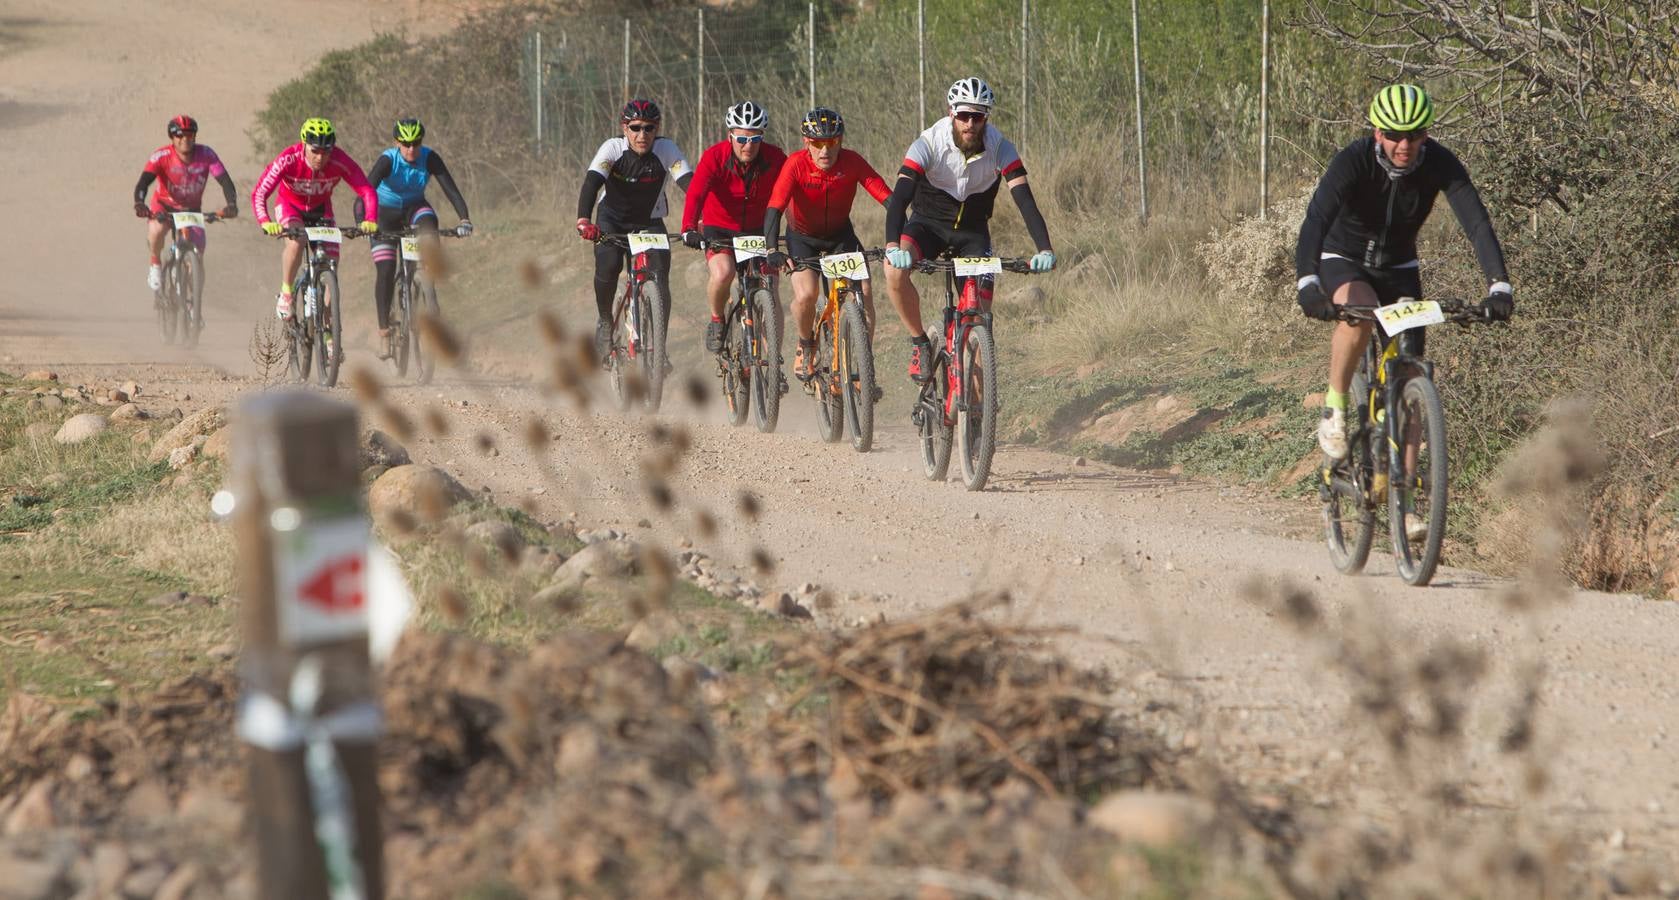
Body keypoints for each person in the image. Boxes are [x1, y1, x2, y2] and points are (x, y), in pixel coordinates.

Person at [1295, 84, 1513, 462]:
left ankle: (1409, 503)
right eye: (1394, 135)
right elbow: (1316, 220)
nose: (1404, 145)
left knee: (1412, 374)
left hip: (1398, 267)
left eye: (1414, 135)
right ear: (1378, 133)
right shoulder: (1353, 161)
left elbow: (1477, 223)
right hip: (1343, 257)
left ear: (1426, 133)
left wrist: (1499, 286)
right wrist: (1308, 283)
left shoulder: (1440, 163)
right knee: (1358, 312)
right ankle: (1335, 408)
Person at [883, 77, 1056, 383]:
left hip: (973, 234)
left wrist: (1044, 248)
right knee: (893, 272)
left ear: (986, 118)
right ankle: (920, 343)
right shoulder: (928, 142)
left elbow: (1025, 202)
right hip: (927, 225)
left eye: (977, 117)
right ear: (952, 113)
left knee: (979, 316)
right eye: (964, 115)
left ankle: (974, 408)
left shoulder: (1000, 146)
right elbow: (900, 198)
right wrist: (892, 245)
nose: (970, 124)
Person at [762, 107, 890, 380]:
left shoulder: (852, 162)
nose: (825, 151)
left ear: (840, 141)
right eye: (818, 143)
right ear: (806, 142)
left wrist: (903, 233)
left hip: (840, 236)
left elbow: (885, 196)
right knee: (806, 295)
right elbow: (775, 206)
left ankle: (864, 361)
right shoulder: (795, 164)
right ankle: (805, 344)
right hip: (802, 238)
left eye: (831, 142)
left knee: (864, 291)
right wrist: (772, 249)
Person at [576, 99, 693, 361]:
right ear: (625, 128)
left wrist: (701, 219)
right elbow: (591, 182)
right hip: (612, 220)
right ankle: (606, 322)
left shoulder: (666, 149)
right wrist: (584, 220)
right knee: (608, 266)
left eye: (649, 128)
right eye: (636, 128)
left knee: (660, 280)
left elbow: (690, 184)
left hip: (649, 221)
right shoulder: (613, 148)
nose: (642, 135)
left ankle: (659, 350)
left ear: (657, 128)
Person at [680, 100, 786, 355]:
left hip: (759, 228)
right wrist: (688, 228)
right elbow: (695, 195)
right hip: (720, 227)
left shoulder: (775, 158)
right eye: (741, 138)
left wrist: (795, 232)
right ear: (731, 136)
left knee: (770, 287)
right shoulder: (714, 157)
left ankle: (774, 360)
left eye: (755, 138)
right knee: (723, 273)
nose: (748, 145)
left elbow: (790, 194)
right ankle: (717, 319)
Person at [361, 117, 473, 358]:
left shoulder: (429, 157)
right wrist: (364, 220)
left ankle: (426, 280)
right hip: (384, 214)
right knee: (386, 269)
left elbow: (450, 188)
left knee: (429, 221)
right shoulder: (388, 160)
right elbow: (365, 190)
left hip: (414, 208)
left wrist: (464, 218)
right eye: (406, 144)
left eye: (416, 143)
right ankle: (384, 332)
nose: (412, 149)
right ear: (397, 143)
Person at [251, 117, 379, 324]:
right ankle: (286, 294)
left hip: (321, 210)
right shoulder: (288, 159)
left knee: (331, 265)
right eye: (315, 151)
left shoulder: (340, 160)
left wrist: (370, 218)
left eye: (326, 151)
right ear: (304, 145)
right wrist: (265, 221)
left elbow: (366, 190)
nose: (320, 157)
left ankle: (329, 333)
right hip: (290, 206)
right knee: (296, 242)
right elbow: (260, 193)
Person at [133, 115, 238, 295]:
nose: (185, 140)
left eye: (189, 135)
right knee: (156, 231)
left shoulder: (206, 155)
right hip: (163, 206)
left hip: (191, 210)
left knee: (197, 256)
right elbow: (143, 183)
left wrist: (231, 204)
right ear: (172, 138)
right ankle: (156, 265)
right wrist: (139, 203)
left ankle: (193, 305)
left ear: (195, 136)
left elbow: (225, 181)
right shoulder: (161, 156)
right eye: (179, 136)